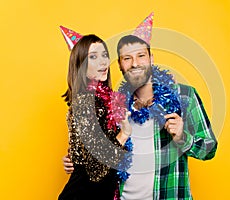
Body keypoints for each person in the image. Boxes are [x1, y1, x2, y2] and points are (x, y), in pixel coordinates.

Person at [63, 13, 217, 199]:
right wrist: (78, 162)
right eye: (127, 58)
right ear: (120, 65)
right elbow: (96, 148)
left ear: (151, 58)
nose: (135, 63)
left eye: (141, 55)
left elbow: (210, 149)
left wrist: (182, 137)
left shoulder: (184, 96)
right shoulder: (114, 104)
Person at [58, 33, 132, 200]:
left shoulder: (102, 102)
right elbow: (97, 168)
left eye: (104, 55)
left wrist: (76, 157)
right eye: (93, 57)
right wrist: (124, 134)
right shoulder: (85, 103)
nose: (103, 61)